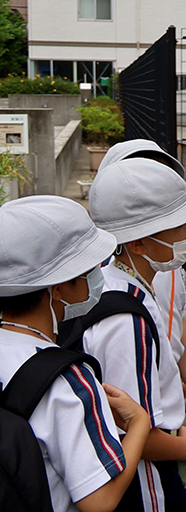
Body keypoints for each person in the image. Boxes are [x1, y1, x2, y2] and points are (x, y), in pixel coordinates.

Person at [0, 195, 151, 512]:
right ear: (57, 289)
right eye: (89, 269)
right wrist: (139, 423)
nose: (97, 276)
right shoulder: (68, 380)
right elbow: (99, 501)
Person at [88, 158, 186, 510]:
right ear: (138, 244)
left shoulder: (117, 283)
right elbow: (131, 431)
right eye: (179, 226)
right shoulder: (128, 319)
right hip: (144, 479)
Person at [99, 139, 186, 418]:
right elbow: (130, 422)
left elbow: (175, 320)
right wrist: (181, 448)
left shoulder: (163, 262)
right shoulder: (112, 295)